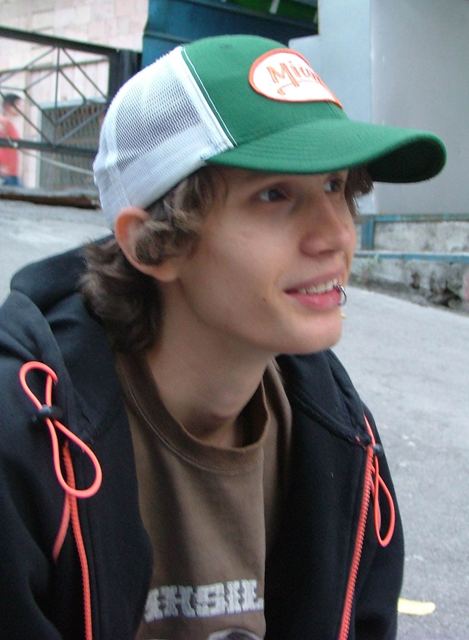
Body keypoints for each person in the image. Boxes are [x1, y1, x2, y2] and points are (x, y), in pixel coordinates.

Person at [0, 35, 445, 640]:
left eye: (336, 186)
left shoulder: (341, 436)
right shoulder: (25, 444)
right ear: (154, 243)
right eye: (274, 194)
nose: (336, 235)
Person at [0, 92, 22, 186]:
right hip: (5, 174)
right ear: (8, 106)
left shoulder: (9, 124)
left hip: (12, 173)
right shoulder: (3, 122)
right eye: (18, 105)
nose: (20, 108)